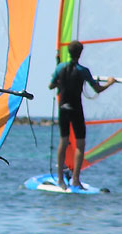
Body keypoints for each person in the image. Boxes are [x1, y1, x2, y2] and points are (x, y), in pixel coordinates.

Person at [49, 40, 116, 190]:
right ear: (80, 54)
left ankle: (60, 179)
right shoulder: (83, 71)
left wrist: (59, 82)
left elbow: (50, 86)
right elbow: (97, 89)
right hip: (76, 109)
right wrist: (110, 83)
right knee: (80, 145)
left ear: (69, 52)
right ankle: (75, 180)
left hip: (63, 108)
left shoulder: (60, 67)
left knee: (63, 141)